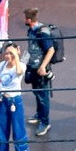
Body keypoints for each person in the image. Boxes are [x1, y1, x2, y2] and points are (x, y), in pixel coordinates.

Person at [0, 42, 30, 151]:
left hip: (15, 101)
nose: (8, 56)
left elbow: (19, 72)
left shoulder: (21, 65)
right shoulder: (2, 65)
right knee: (2, 131)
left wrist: (16, 56)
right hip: (3, 100)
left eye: (10, 53)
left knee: (19, 131)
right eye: (6, 53)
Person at [23, 7, 54, 136]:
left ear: (29, 20)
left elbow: (51, 50)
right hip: (33, 68)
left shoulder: (43, 33)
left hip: (41, 70)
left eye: (25, 18)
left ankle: (45, 122)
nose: (24, 20)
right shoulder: (31, 31)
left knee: (43, 97)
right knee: (37, 93)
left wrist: (43, 66)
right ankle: (39, 114)